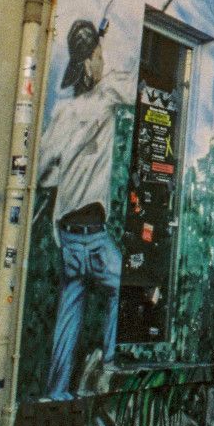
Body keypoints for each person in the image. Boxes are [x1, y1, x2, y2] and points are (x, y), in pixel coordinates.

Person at [38, 20, 136, 400]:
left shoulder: (63, 113)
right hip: (93, 236)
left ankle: (57, 393)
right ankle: (110, 367)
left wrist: (69, 168)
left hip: (67, 234)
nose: (104, 61)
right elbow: (132, 89)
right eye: (99, 56)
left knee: (69, 312)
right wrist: (104, 67)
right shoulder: (107, 97)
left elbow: (45, 173)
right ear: (91, 63)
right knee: (124, 288)